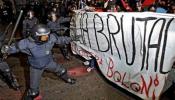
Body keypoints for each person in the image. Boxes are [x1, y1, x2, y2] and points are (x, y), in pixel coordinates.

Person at [1, 24, 76, 100]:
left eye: (47, 35)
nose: (47, 38)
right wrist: (7, 49)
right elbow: (15, 48)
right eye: (44, 37)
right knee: (33, 92)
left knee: (62, 70)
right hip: (36, 67)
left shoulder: (50, 38)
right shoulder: (27, 43)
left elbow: (61, 39)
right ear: (35, 36)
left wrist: (72, 38)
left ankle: (68, 79)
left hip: (49, 62)